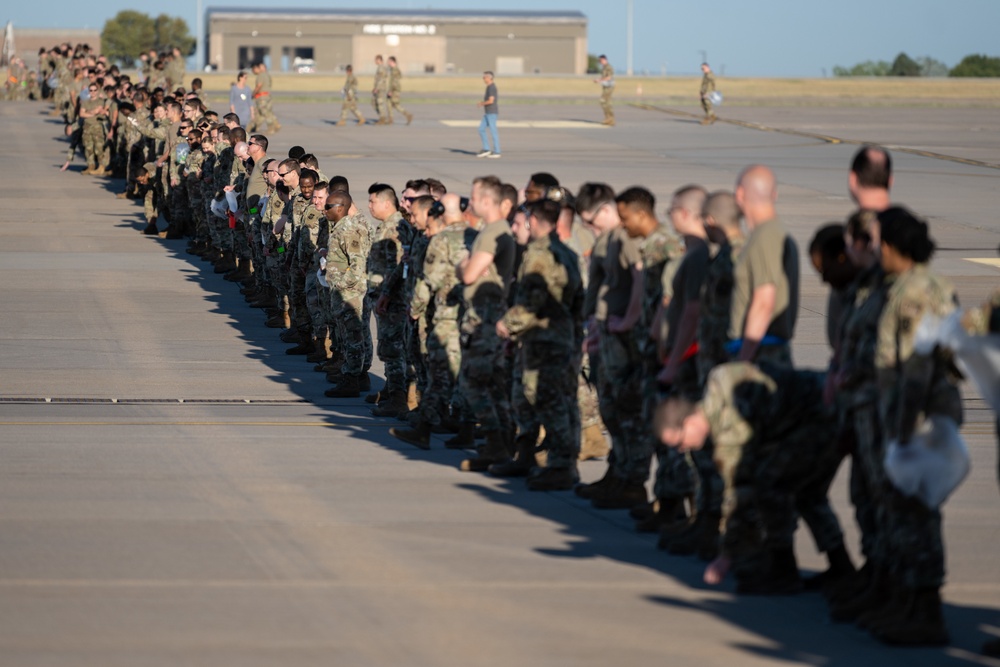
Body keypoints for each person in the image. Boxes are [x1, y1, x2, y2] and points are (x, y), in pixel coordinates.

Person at [867, 206, 961, 646]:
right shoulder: (924, 284)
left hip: (918, 421)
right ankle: (907, 603)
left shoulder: (914, 293)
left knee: (917, 515)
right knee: (906, 513)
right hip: (918, 418)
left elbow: (918, 368)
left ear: (890, 245)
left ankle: (925, 612)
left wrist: (903, 432)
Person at [497, 199, 585, 490]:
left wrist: (507, 325)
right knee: (533, 399)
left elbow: (532, 302)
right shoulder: (566, 252)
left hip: (544, 341)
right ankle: (527, 455)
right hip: (557, 338)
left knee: (550, 401)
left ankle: (561, 466)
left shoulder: (539, 253)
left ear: (533, 220)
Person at [457, 176, 516, 471]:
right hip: (487, 315)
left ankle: (497, 445)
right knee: (492, 385)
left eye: (475, 197)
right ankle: (501, 446)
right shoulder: (493, 230)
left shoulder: (493, 232)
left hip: (486, 318)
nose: (472, 202)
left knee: (474, 382)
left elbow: (469, 274)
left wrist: (462, 263)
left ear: (487, 201)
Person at [729, 165, 799, 367]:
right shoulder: (773, 233)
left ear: (740, 194)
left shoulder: (766, 236)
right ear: (774, 194)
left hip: (760, 354)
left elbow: (764, 301)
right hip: (762, 349)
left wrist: (744, 360)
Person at [322, 190, 372, 397]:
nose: (324, 210)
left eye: (328, 207)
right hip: (343, 293)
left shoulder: (349, 231)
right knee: (351, 336)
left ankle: (351, 379)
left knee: (352, 338)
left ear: (340, 208)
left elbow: (358, 267)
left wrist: (338, 283)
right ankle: (360, 377)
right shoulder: (339, 228)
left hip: (350, 295)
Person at [476, 72, 501, 159]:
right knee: (481, 129)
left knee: (493, 131)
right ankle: (486, 149)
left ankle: (497, 151)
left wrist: (481, 103)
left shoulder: (492, 88)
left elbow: (491, 101)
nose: (483, 79)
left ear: (489, 78)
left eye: (484, 77)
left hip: (492, 113)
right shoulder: (489, 87)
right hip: (487, 113)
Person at [251, 61, 280, 132]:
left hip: (262, 97)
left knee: (265, 112)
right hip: (267, 96)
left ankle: (272, 127)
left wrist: (253, 93)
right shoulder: (267, 75)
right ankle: (255, 127)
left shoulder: (261, 75)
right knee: (263, 113)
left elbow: (259, 85)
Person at [387, 56, 413, 125]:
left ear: (392, 62)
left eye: (389, 61)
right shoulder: (393, 69)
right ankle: (390, 119)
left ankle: (408, 115)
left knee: (396, 105)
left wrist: (391, 91)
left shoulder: (395, 70)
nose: (387, 63)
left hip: (394, 90)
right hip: (393, 90)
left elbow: (395, 82)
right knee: (389, 104)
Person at [594, 55, 615, 126]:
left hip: (609, 86)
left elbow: (609, 77)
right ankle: (609, 118)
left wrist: (599, 80)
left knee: (603, 101)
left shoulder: (608, 67)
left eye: (600, 61)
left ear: (604, 59)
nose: (600, 62)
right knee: (606, 102)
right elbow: (604, 76)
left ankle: (609, 118)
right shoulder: (604, 67)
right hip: (606, 86)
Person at [372, 55, 389, 125]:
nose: (375, 61)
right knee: (375, 103)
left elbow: (381, 79)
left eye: (376, 60)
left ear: (379, 60)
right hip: (379, 88)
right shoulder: (380, 68)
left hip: (380, 89)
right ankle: (383, 118)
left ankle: (382, 119)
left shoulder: (381, 68)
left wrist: (377, 88)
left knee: (380, 103)